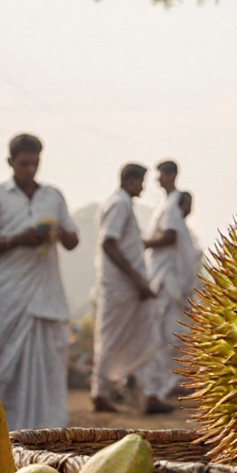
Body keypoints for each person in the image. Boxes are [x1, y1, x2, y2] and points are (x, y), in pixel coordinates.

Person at [0, 133, 80, 431]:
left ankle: (50, 430)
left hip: (46, 293)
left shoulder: (53, 196)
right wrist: (18, 239)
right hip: (8, 295)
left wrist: (57, 230)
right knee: (3, 363)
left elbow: (73, 241)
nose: (30, 169)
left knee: (49, 366)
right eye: (24, 164)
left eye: (35, 163)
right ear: (10, 162)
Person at [91, 163, 162, 413]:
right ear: (131, 181)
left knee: (144, 334)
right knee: (112, 338)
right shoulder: (119, 203)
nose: (142, 187)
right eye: (141, 182)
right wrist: (137, 279)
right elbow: (108, 243)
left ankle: (150, 395)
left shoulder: (122, 204)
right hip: (122, 287)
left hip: (130, 287)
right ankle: (101, 393)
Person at [140, 189, 200, 412]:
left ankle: (164, 387)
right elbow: (169, 237)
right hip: (167, 288)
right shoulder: (174, 224)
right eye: (189, 202)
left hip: (177, 291)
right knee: (165, 340)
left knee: (174, 341)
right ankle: (153, 392)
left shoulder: (185, 233)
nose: (191, 207)